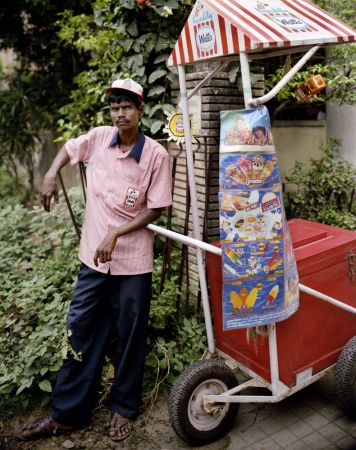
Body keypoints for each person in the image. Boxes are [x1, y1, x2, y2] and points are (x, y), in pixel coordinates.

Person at [16, 79, 172, 442]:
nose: (120, 114)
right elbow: (70, 149)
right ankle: (68, 414)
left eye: (127, 107)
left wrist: (116, 233)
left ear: (140, 110)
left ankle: (122, 407)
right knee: (81, 327)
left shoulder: (155, 156)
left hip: (133, 261)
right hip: (93, 260)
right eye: (115, 107)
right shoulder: (100, 137)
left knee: (130, 335)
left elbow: (157, 208)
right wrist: (52, 174)